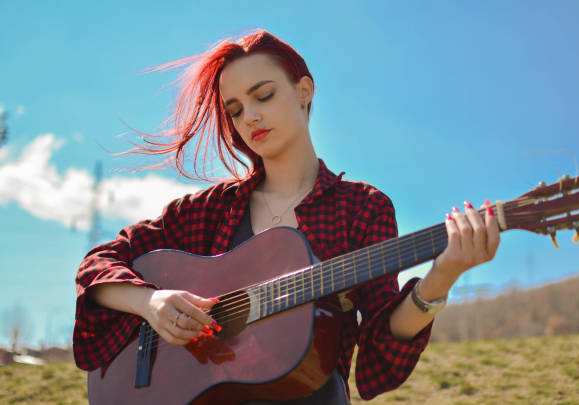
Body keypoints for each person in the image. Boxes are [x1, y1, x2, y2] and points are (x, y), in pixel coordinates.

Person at [73, 29, 500, 403]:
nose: (250, 117)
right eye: (235, 109)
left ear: (304, 91)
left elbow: (378, 352)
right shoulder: (210, 210)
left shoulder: (362, 207)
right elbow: (99, 263)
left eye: (263, 95)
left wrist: (442, 276)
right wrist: (151, 302)